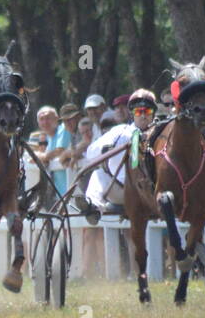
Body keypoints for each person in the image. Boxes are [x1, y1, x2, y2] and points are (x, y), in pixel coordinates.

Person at [75, 89, 157, 225]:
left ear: (153, 113)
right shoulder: (119, 131)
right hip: (122, 190)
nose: (143, 116)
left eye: (147, 111)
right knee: (99, 174)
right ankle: (93, 206)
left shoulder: (161, 133)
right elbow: (91, 153)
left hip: (152, 191)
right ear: (132, 114)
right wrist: (107, 148)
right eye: (138, 112)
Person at [33, 105, 72, 197]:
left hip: (70, 190)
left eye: (48, 118)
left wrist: (39, 156)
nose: (45, 122)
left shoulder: (64, 129)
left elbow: (59, 151)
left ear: (56, 119)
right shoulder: (47, 138)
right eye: (41, 119)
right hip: (58, 194)